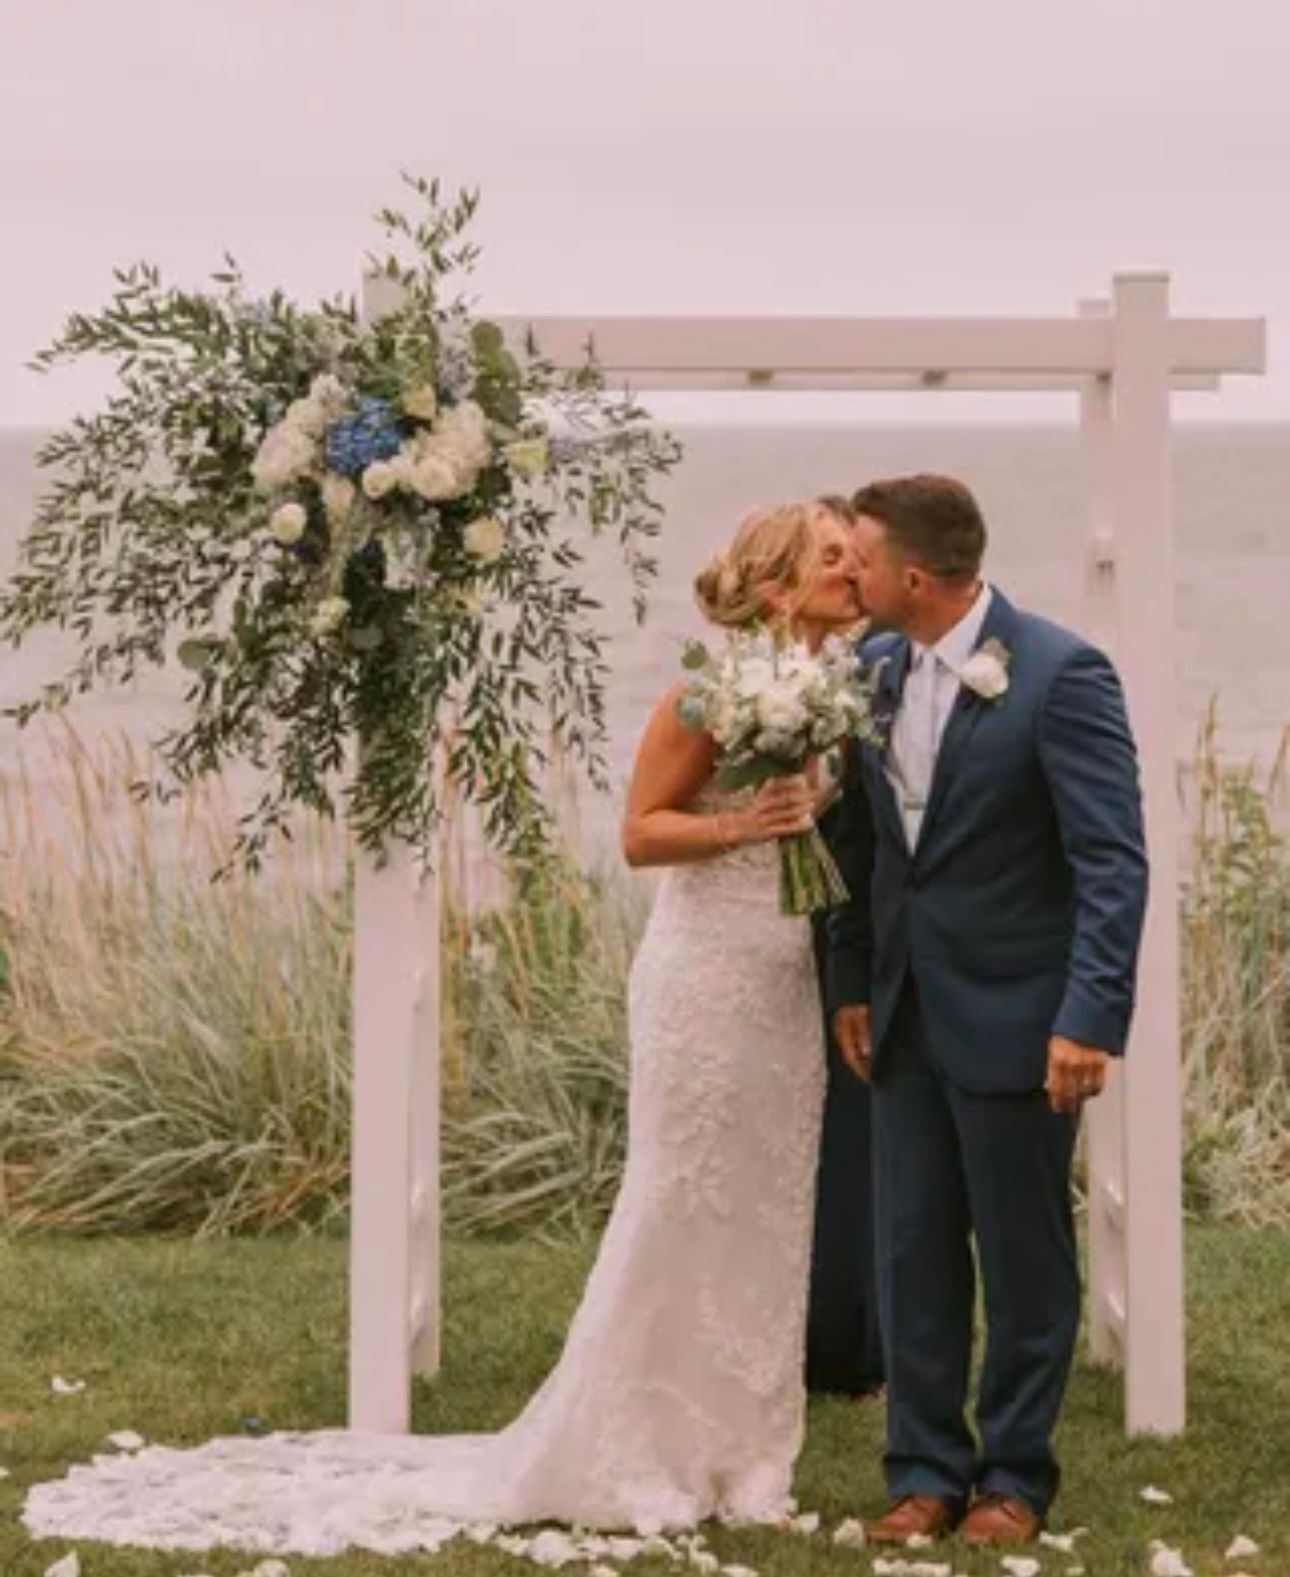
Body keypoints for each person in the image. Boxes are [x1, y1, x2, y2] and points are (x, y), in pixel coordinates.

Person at [23, 502, 866, 1560]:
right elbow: (642, 832)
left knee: (767, 1204)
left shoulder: (830, 692)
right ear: (779, 584)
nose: (856, 570)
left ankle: (745, 1450)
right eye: (834, 556)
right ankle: (629, 1436)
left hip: (779, 978)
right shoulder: (708, 691)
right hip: (702, 977)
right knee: (679, 1198)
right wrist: (746, 823)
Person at [826, 474, 1147, 1547]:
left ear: (913, 576)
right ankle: (922, 1471)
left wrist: (1089, 1016)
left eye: (859, 559)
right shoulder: (865, 671)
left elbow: (1111, 860)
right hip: (904, 1014)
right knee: (912, 1248)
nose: (846, 574)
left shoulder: (1061, 675)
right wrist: (848, 983)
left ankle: (1013, 1477)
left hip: (1021, 1016)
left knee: (1024, 1262)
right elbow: (860, 850)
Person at [804, 496, 884, 1401]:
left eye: (850, 554)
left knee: (852, 1139)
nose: (847, 571)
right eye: (830, 554)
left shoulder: (880, 666)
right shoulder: (754, 678)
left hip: (856, 926)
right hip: (767, 928)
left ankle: (850, 1340)